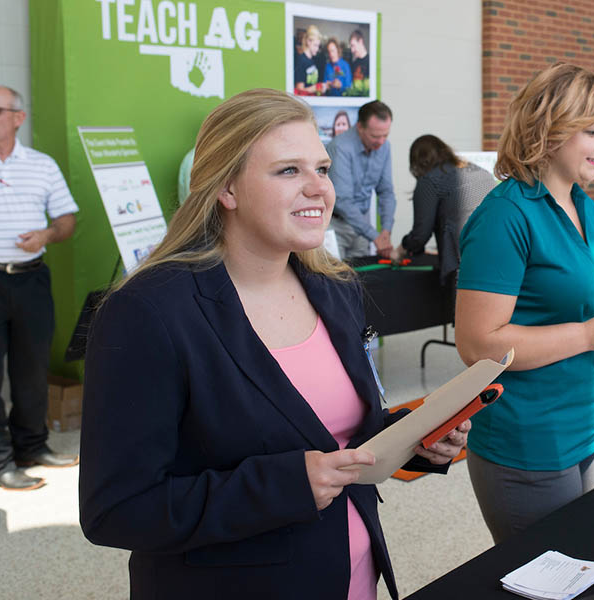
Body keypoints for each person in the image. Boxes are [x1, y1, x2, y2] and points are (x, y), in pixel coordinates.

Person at [78, 88, 468, 600]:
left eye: (323, 169)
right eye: (289, 171)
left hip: (352, 577)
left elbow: (344, 437)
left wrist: (418, 442)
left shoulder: (335, 289)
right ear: (227, 188)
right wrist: (285, 487)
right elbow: (117, 510)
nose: (319, 190)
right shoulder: (149, 311)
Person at [454, 64, 594, 545]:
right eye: (593, 132)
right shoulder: (506, 215)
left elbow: (588, 293)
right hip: (528, 444)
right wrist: (590, 333)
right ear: (549, 128)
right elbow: (478, 344)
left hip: (591, 425)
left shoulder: (584, 204)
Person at [0, 85, 79, 491]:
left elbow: (66, 219)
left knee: (31, 369)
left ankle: (31, 445)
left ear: (17, 118)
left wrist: (46, 234)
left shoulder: (41, 166)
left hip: (30, 278)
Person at [394, 134, 496, 286]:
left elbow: (420, 235)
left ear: (418, 163)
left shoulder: (430, 180)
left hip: (463, 267)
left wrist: (401, 250)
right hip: (497, 257)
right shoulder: (481, 172)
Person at [327, 100, 395, 258]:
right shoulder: (339, 147)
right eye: (375, 136)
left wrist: (386, 230)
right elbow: (343, 200)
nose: (381, 141)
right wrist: (374, 236)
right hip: (336, 225)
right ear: (360, 127)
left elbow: (386, 192)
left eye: (386, 135)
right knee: (334, 279)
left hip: (362, 225)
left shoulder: (384, 146)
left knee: (360, 279)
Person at [294, 25, 328, 96]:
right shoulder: (301, 60)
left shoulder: (312, 60)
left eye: (318, 46)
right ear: (308, 42)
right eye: (315, 45)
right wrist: (315, 88)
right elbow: (299, 90)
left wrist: (320, 87)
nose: (317, 49)